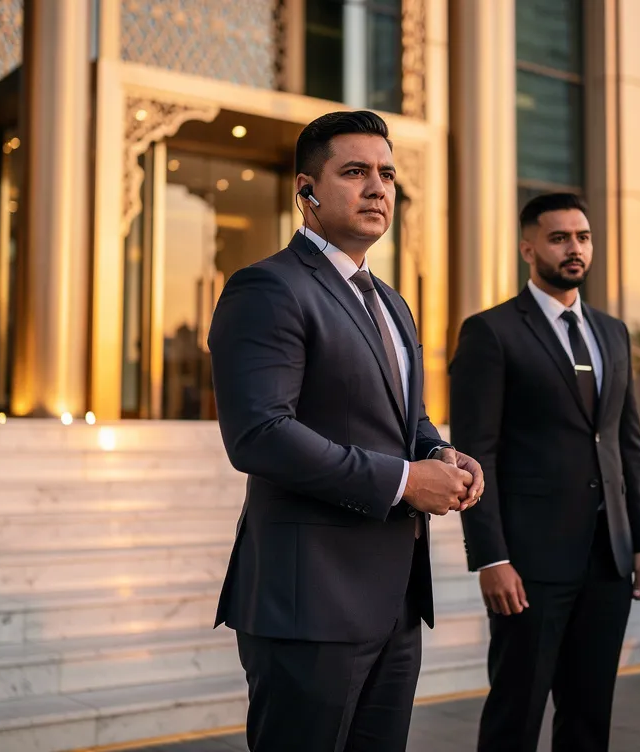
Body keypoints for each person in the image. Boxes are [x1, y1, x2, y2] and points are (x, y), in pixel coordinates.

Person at [206, 110, 485, 752]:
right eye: (354, 171)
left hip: (394, 602)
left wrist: (437, 450)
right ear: (305, 191)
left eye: (386, 173)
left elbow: (402, 417)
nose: (377, 187)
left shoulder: (392, 300)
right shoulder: (267, 288)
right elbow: (260, 434)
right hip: (310, 600)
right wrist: (405, 480)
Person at [448, 192, 640, 752]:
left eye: (583, 237)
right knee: (515, 714)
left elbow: (625, 442)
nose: (574, 249)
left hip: (608, 557)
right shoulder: (490, 333)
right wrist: (491, 557)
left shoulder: (613, 332)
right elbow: (476, 455)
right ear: (528, 248)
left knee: (591, 715)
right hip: (530, 563)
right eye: (559, 237)